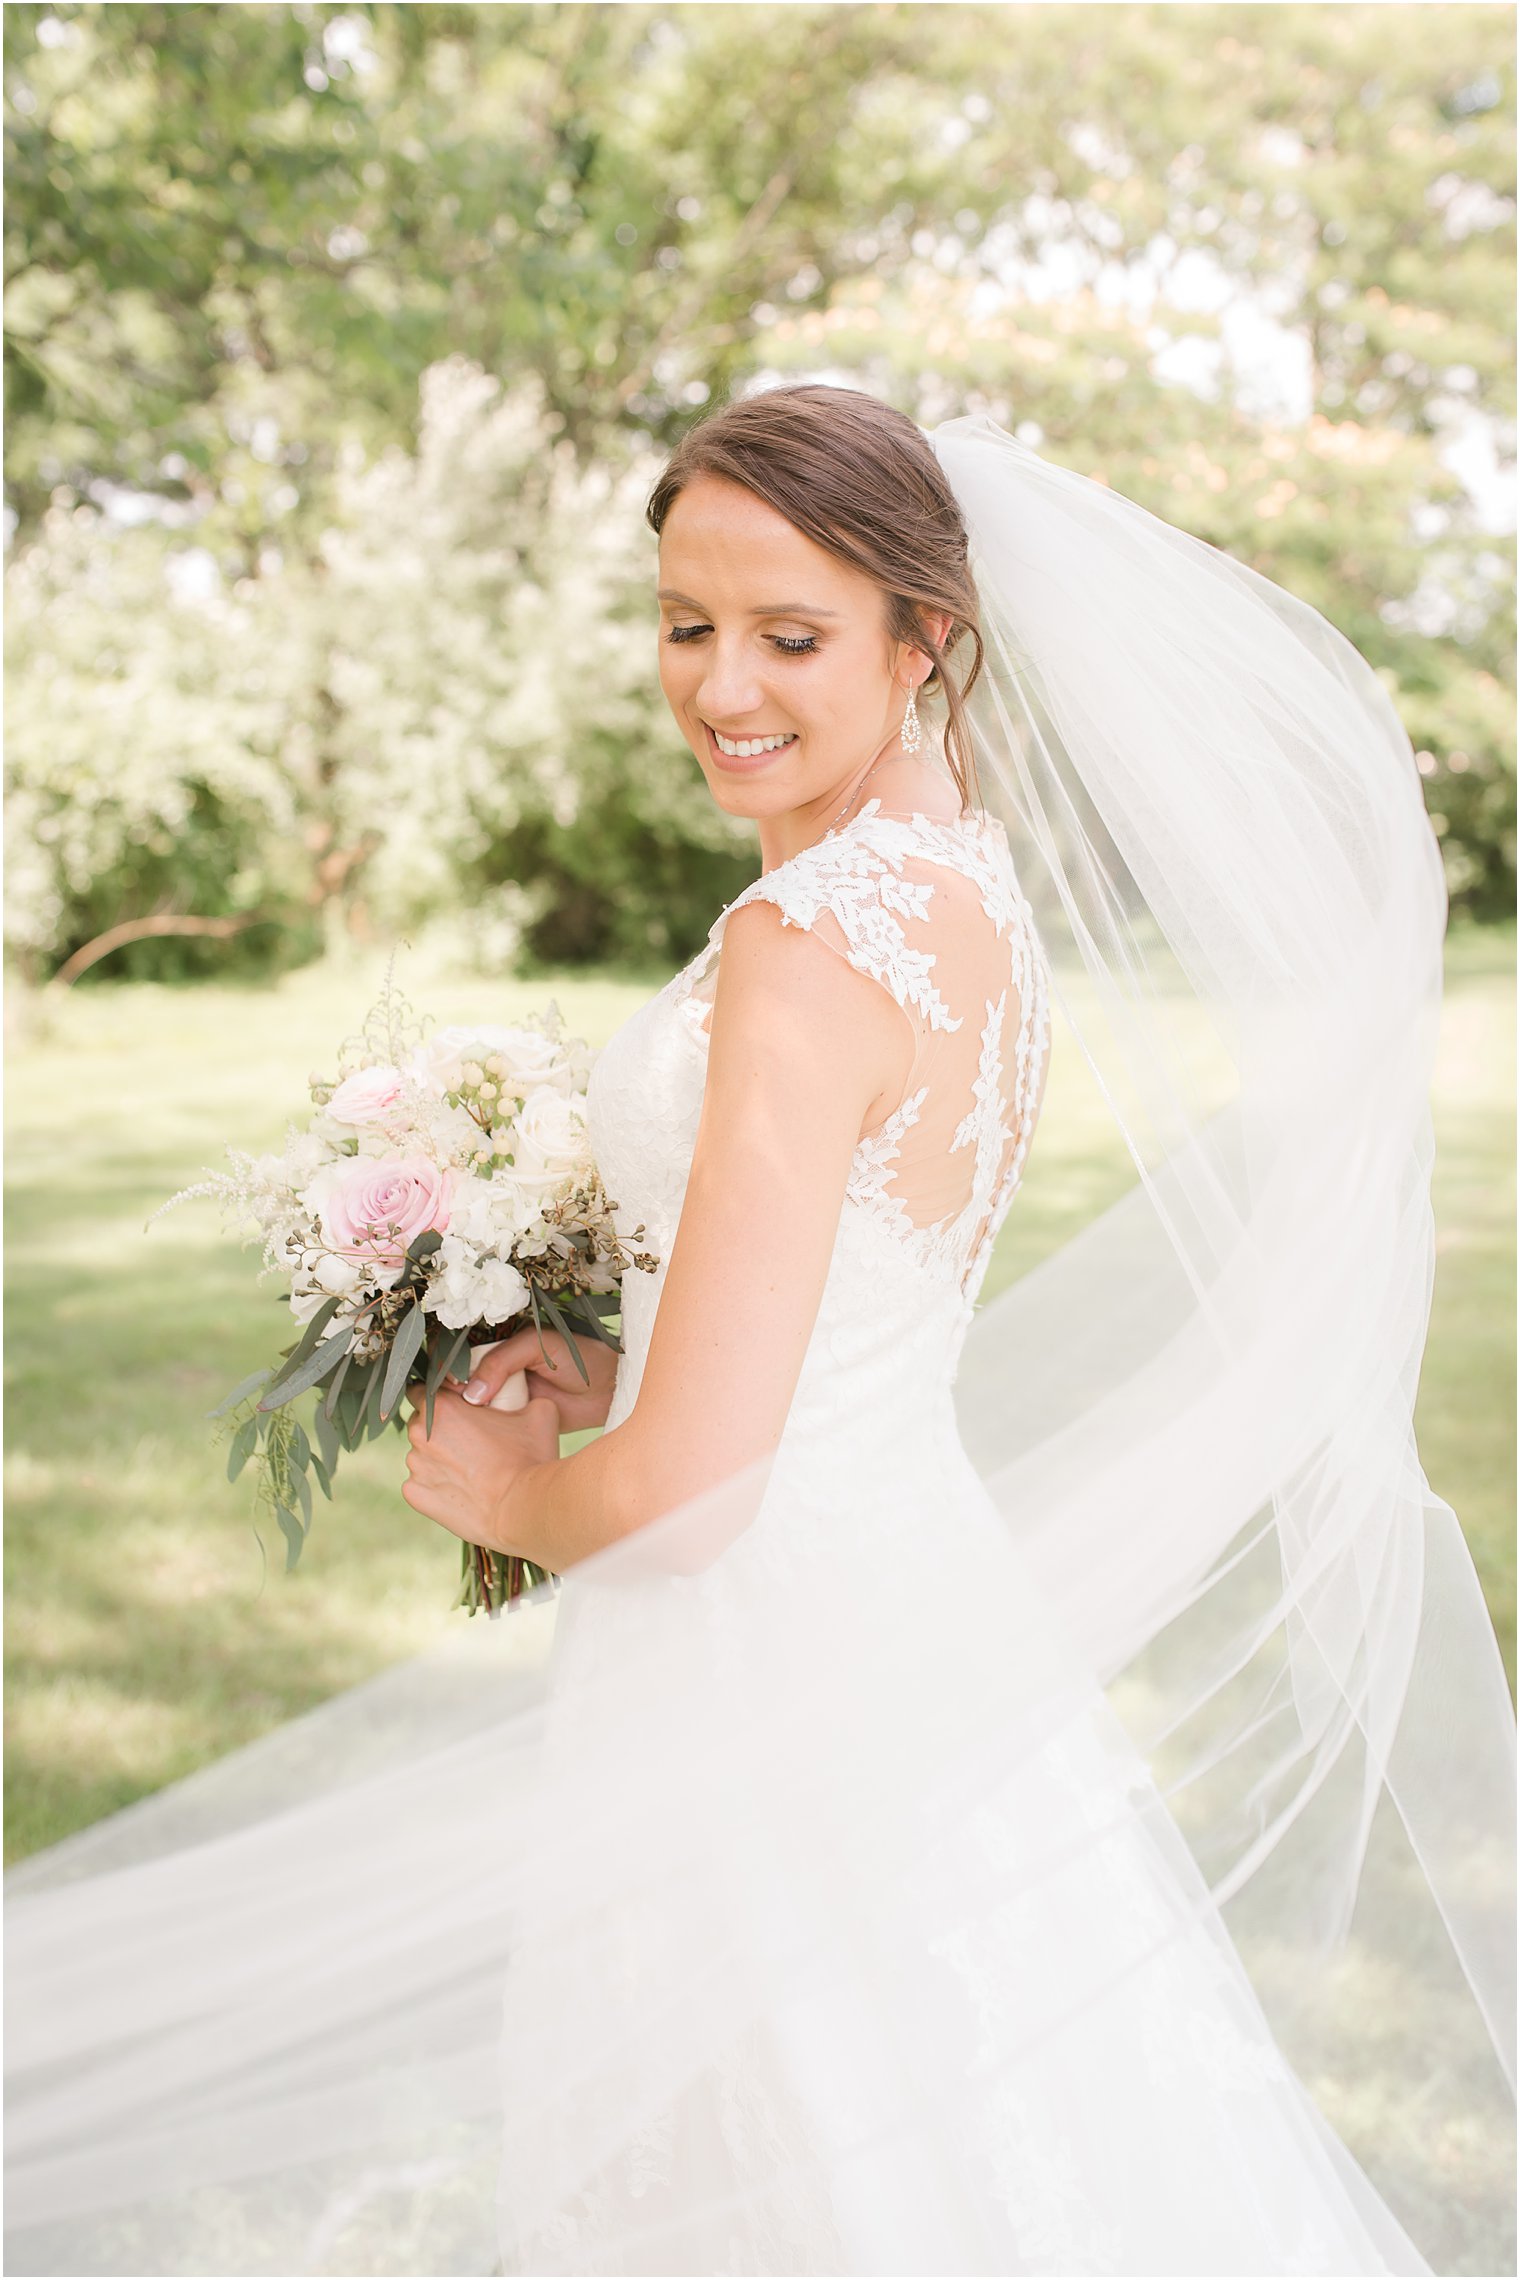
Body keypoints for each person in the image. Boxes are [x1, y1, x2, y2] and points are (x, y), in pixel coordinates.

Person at [6, 387, 1513, 2278]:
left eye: (791, 636)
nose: (723, 684)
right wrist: (619, 1370)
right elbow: (829, 1332)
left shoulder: (810, 946)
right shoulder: (966, 901)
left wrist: (506, 1489)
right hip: (924, 1632)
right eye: (684, 622)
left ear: (925, 638)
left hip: (763, 1665)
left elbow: (703, 1493)